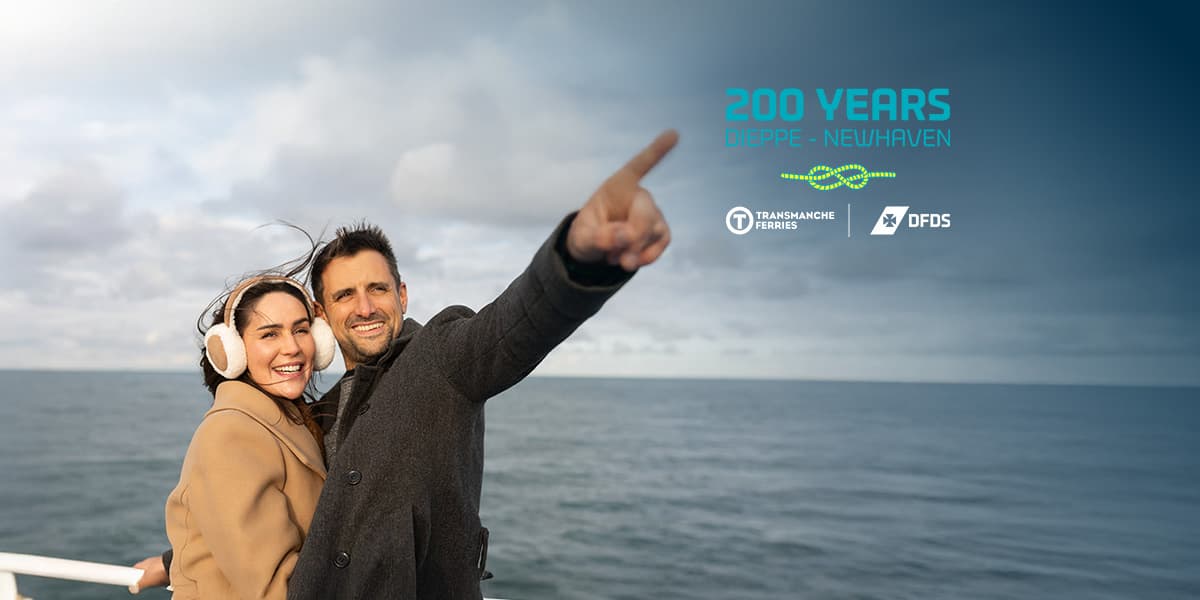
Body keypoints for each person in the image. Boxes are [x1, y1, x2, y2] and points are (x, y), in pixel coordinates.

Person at [132, 129, 678, 598]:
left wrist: (578, 259)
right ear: (324, 313)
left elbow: (513, 327)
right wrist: (176, 562)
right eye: (346, 295)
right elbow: (256, 514)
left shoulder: (442, 359)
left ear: (403, 295)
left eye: (378, 289)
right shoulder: (316, 413)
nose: (365, 306)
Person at [160, 275, 338, 598]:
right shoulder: (230, 436)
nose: (293, 347)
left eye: (301, 329)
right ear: (234, 350)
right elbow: (273, 589)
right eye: (270, 334)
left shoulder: (289, 420)